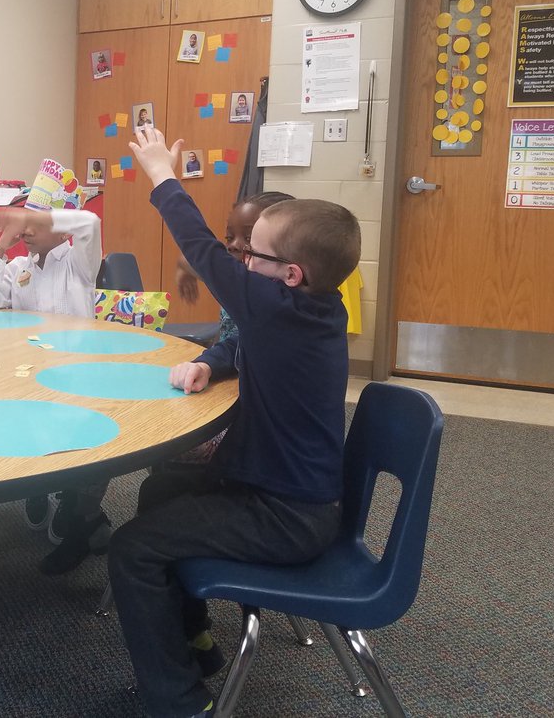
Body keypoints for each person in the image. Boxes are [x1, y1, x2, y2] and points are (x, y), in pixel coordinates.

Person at [110, 125, 360, 717]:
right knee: (164, 486)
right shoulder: (307, 310)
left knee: (130, 550)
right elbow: (248, 344)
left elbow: (199, 247)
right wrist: (211, 361)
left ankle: (177, 702)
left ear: (290, 273)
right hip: (289, 495)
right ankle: (192, 641)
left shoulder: (276, 306)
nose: (241, 262)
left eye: (253, 255)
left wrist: (161, 175)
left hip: (285, 517)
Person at [0, 201, 110, 575]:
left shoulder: (79, 263)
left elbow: (90, 221)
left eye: (35, 222)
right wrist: (2, 246)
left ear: (61, 229)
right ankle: (37, 486)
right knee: (22, 426)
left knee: (82, 444)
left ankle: (77, 506)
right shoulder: (20, 268)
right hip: (29, 374)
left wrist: (34, 218)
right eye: (24, 222)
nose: (26, 229)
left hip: (77, 377)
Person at [172, 190, 294, 463]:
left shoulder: (273, 297)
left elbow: (204, 255)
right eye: (230, 237)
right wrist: (183, 269)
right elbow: (196, 260)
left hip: (255, 410)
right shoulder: (242, 276)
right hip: (228, 374)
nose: (234, 246)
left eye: (249, 238)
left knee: (175, 446)